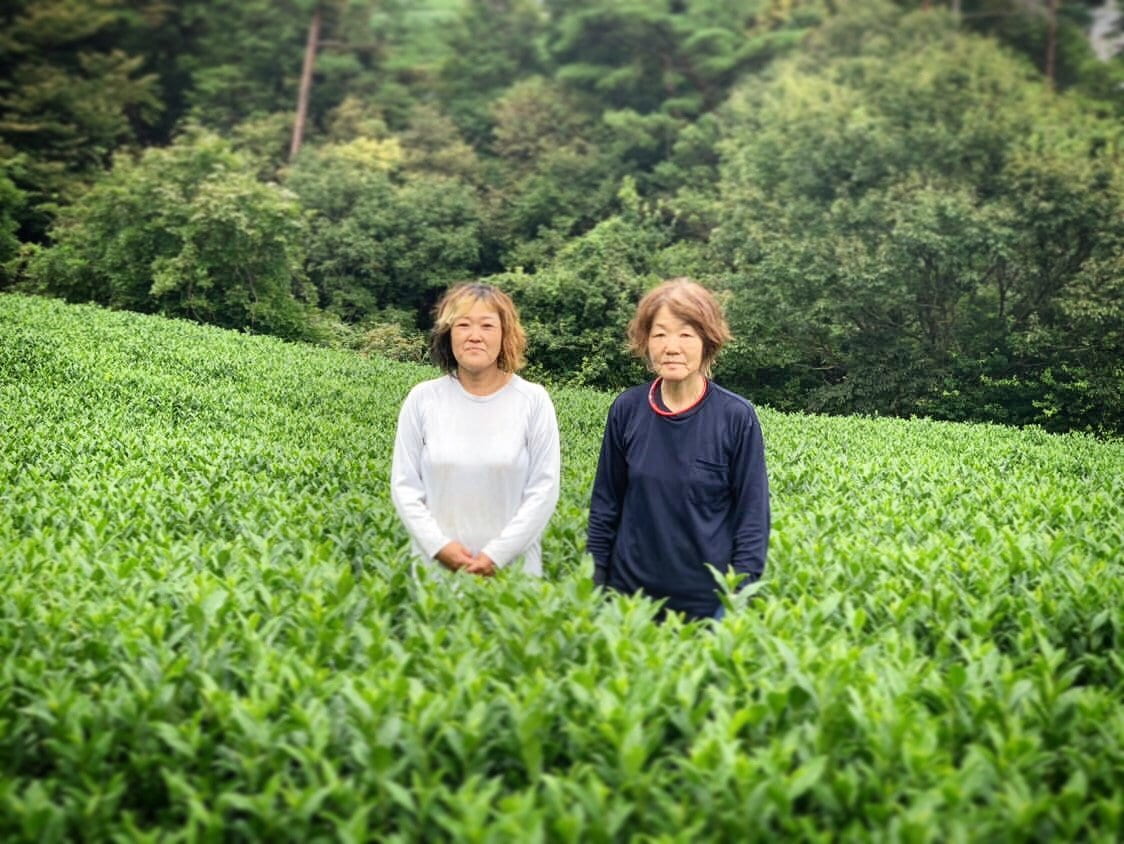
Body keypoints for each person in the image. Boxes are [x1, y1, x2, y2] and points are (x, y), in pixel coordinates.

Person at [587, 278, 770, 620]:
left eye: (686, 334)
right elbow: (605, 505)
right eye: (660, 334)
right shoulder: (627, 410)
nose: (672, 346)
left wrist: (734, 602)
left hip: (706, 605)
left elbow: (752, 519)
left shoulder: (735, 417)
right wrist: (596, 585)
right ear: (646, 342)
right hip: (630, 603)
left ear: (707, 341)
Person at [391, 282, 561, 578]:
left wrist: (496, 554)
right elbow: (405, 487)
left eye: (487, 326)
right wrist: (439, 546)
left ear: (505, 334)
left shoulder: (533, 401)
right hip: (436, 571)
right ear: (448, 333)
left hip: (512, 574)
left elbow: (543, 491)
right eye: (463, 325)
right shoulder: (423, 398)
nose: (474, 336)